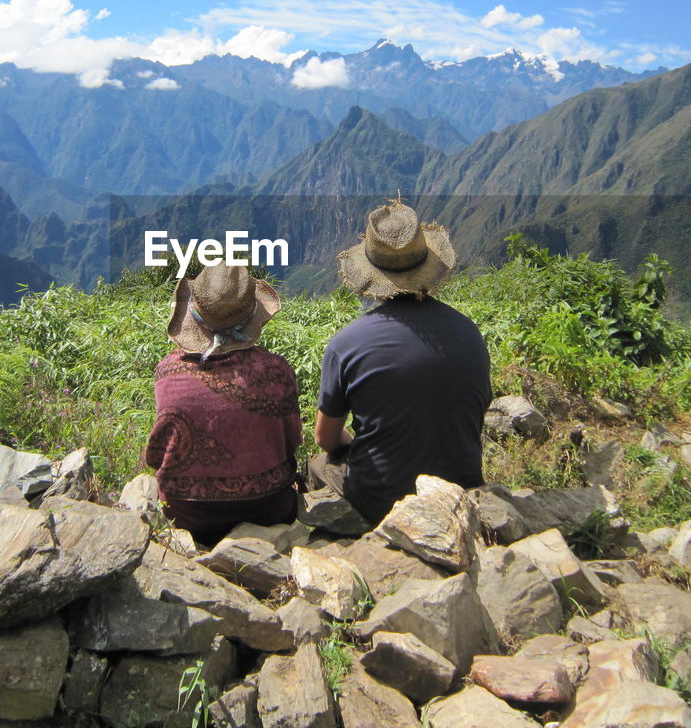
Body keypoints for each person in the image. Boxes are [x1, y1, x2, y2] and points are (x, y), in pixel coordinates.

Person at [311, 200, 490, 525]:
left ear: (371, 274)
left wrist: (358, 442)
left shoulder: (346, 344)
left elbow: (325, 438)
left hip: (382, 501)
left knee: (317, 465)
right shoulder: (469, 332)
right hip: (460, 495)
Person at [146, 261, 302, 546]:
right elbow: (292, 441)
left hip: (187, 516)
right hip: (269, 509)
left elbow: (156, 455)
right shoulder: (278, 370)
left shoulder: (167, 373)